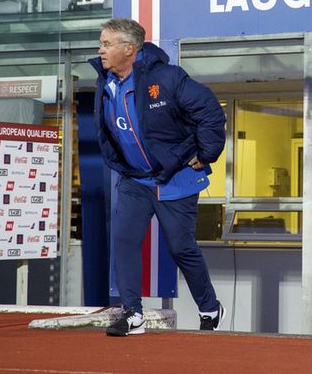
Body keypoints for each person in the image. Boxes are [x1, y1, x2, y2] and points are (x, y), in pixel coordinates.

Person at [90, 18, 227, 336]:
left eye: (106, 44)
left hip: (174, 178)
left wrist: (206, 153)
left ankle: (209, 307)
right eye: (101, 44)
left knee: (181, 248)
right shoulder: (106, 82)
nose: (100, 50)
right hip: (134, 179)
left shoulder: (166, 77)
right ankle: (132, 314)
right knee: (124, 241)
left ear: (129, 48)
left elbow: (209, 111)